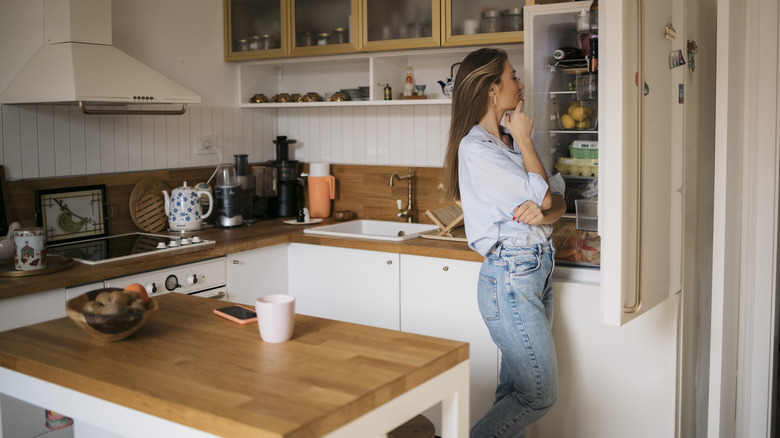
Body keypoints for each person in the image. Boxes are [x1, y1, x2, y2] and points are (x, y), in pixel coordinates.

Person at [442, 48, 566, 437]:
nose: (521, 83)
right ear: (493, 90)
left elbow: (556, 199)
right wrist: (527, 139)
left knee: (513, 392)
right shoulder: (477, 149)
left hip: (535, 270)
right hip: (511, 275)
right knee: (539, 395)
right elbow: (546, 198)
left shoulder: (507, 145)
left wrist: (545, 209)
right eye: (514, 76)